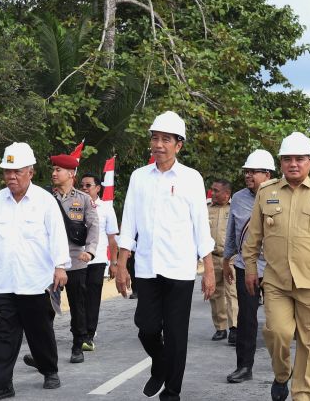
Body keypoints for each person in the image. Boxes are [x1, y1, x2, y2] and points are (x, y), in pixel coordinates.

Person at [242, 132, 310, 401]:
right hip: (277, 281)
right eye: (287, 159)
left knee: (309, 343)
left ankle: (302, 395)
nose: (293, 163)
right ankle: (282, 374)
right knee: (277, 333)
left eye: (299, 159)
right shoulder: (267, 193)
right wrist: (250, 268)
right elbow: (253, 235)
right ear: (280, 164)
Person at [115, 111, 216, 401]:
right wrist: (121, 265)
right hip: (146, 266)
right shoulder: (139, 177)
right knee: (145, 327)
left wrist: (208, 270)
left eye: (166, 139)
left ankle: (172, 392)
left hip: (180, 269)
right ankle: (159, 362)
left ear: (178, 145)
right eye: (155, 138)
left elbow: (201, 226)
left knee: (175, 334)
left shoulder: (191, 178)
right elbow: (129, 223)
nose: (159, 144)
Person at [0, 142, 70, 401]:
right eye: (7, 171)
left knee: (40, 332)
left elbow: (57, 236)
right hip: (4, 283)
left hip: (36, 282)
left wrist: (60, 266)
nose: (11, 176)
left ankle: (49, 369)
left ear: (30, 171)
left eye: (17, 171)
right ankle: (2, 385)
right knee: (3, 335)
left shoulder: (44, 201)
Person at [222, 149, 274, 384]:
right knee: (246, 318)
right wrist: (226, 260)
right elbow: (233, 231)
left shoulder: (280, 194)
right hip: (246, 266)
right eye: (246, 171)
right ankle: (244, 366)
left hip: (276, 267)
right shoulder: (239, 198)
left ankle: (282, 368)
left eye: (253, 171)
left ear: (268, 174)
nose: (248, 175)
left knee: (278, 321)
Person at [48, 154, 99, 364]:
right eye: (53, 169)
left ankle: (78, 345)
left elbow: (94, 226)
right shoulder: (45, 197)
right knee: (45, 308)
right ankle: (43, 348)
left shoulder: (83, 199)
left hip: (75, 261)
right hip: (49, 263)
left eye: (58, 170)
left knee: (78, 305)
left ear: (70, 174)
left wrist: (91, 251)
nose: (53, 173)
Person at [79, 172, 119, 351]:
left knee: (93, 298)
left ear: (97, 188)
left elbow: (112, 238)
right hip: (78, 260)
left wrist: (114, 263)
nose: (84, 189)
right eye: (82, 186)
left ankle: (89, 334)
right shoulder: (76, 205)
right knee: (79, 298)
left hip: (98, 259)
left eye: (88, 185)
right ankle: (79, 331)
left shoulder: (106, 208)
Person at [207, 179, 238, 344]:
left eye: (216, 190)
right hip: (212, 257)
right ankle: (220, 328)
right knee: (215, 293)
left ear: (227, 194)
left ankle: (234, 328)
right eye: (212, 190)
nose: (212, 193)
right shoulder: (207, 209)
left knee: (232, 292)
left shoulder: (235, 208)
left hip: (231, 258)